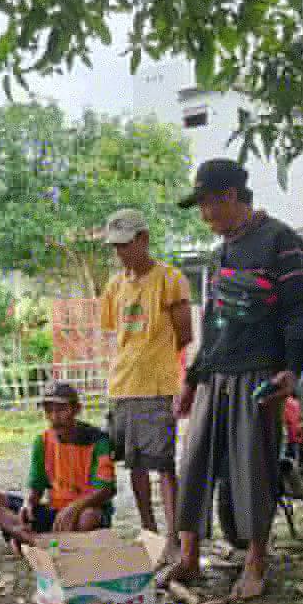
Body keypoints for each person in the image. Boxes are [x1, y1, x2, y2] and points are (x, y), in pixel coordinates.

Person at [167, 159, 303, 599]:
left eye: (208, 204)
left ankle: (255, 562)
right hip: (216, 372)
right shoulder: (221, 252)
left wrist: (291, 369)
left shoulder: (280, 240)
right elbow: (213, 321)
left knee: (253, 467)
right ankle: (189, 557)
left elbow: (299, 309)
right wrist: (192, 379)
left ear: (230, 196)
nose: (204, 215)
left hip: (258, 372)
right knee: (194, 463)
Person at [98, 208, 192, 564]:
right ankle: (148, 531)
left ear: (144, 239)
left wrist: (161, 364)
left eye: (125, 244)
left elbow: (185, 333)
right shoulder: (115, 286)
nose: (120, 252)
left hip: (157, 385)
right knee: (134, 463)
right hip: (123, 385)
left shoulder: (170, 279)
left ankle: (174, 537)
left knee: (163, 463)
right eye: (115, 247)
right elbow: (116, 333)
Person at [0, 381, 116, 550]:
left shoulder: (98, 441)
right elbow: (36, 485)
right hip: (55, 512)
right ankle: (33, 539)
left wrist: (74, 508)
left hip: (83, 511)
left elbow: (105, 490)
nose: (54, 417)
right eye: (49, 410)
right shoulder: (42, 441)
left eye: (61, 410)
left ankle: (33, 541)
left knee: (89, 517)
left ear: (77, 409)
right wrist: (29, 504)